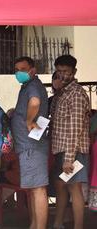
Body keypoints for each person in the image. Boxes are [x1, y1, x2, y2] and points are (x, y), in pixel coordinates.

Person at [50, 55, 91, 229]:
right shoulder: (63, 92)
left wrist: (69, 158)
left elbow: (75, 129)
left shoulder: (76, 94)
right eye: (59, 71)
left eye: (65, 71)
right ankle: (58, 223)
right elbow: (51, 113)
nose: (62, 75)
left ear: (74, 72)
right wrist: (56, 90)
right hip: (62, 150)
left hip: (74, 151)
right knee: (61, 187)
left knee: (74, 189)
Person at [11, 57, 49, 229]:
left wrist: (28, 120)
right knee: (34, 190)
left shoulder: (33, 85)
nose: (18, 72)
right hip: (28, 146)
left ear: (32, 70)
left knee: (38, 190)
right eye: (16, 69)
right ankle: (34, 225)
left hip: (31, 146)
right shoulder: (28, 86)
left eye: (23, 69)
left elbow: (35, 102)